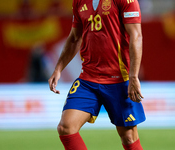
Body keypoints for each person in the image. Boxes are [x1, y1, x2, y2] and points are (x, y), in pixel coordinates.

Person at [48, 0, 146, 149]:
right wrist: (58, 69)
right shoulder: (79, 1)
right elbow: (75, 37)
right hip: (88, 79)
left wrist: (133, 77)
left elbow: (136, 36)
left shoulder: (125, 1)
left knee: (128, 137)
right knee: (65, 127)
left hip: (119, 80)